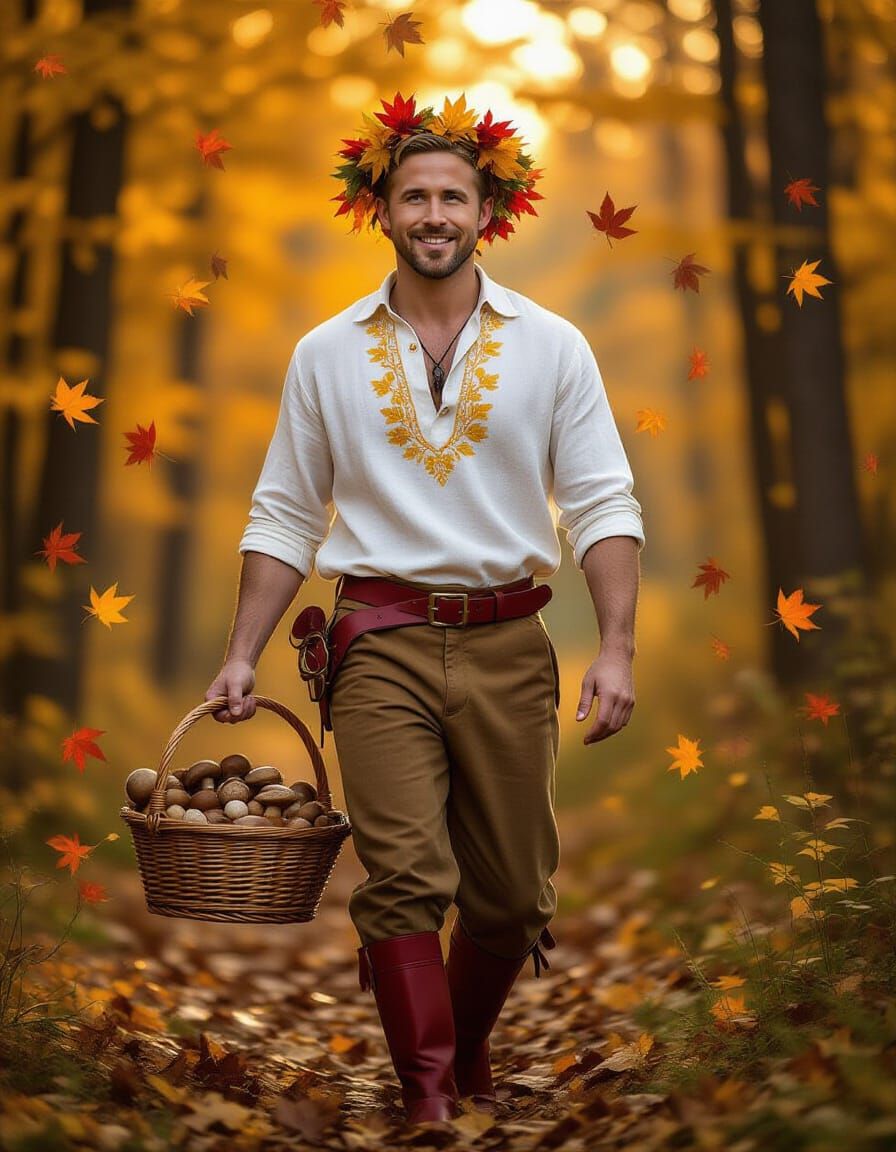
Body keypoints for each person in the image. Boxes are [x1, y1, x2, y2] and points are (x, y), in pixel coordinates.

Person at [205, 90, 646, 1129]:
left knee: (512, 897)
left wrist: (617, 646)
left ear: (486, 212)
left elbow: (599, 502)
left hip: (509, 642)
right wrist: (239, 654)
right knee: (403, 877)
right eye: (415, 196)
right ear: (382, 209)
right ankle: (430, 1098)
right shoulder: (323, 353)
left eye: (454, 195)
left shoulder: (553, 346)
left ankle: (466, 1043)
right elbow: (280, 511)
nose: (435, 214)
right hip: (377, 640)